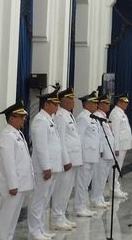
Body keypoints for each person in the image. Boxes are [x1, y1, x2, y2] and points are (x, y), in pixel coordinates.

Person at [28, 90, 64, 240]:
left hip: (53, 166)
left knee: (45, 199)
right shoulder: (40, 120)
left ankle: (40, 229)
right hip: (45, 168)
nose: (57, 107)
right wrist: (46, 167)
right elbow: (41, 147)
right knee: (38, 200)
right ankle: (34, 231)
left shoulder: (48, 119)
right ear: (46, 104)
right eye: (55, 104)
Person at [0, 101, 33, 240]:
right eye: (21, 117)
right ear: (11, 118)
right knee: (6, 218)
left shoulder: (16, 133)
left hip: (20, 183)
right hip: (12, 185)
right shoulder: (7, 135)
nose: (23, 120)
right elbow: (8, 163)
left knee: (13, 219)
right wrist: (12, 185)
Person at [50, 87, 81, 231]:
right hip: (67, 160)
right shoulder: (61, 117)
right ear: (63, 101)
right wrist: (65, 160)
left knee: (67, 190)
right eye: (70, 99)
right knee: (61, 190)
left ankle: (62, 216)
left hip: (73, 159)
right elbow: (60, 140)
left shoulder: (68, 115)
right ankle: (57, 218)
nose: (73, 101)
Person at [74, 91, 100, 218]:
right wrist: (80, 157)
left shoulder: (91, 117)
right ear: (87, 104)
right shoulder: (83, 117)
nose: (96, 105)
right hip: (85, 156)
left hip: (92, 155)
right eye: (94, 103)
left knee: (86, 183)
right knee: (81, 183)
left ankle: (84, 206)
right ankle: (79, 207)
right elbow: (79, 137)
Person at [90, 94, 115, 209]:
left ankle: (99, 197)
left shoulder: (103, 116)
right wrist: (101, 150)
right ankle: (95, 199)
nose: (108, 105)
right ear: (99, 104)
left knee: (103, 177)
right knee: (99, 177)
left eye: (108, 103)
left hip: (108, 152)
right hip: (102, 153)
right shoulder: (96, 116)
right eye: (106, 103)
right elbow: (98, 136)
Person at [108, 94, 132, 199]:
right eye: (124, 102)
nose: (126, 104)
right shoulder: (115, 113)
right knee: (115, 168)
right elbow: (115, 132)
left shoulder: (120, 112)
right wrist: (116, 148)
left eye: (127, 102)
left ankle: (116, 187)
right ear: (119, 102)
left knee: (119, 168)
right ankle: (114, 189)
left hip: (123, 144)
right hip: (119, 145)